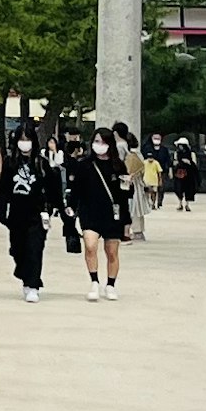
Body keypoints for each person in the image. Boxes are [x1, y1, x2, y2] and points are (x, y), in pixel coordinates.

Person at [0, 126, 58, 303]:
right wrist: (1, 212)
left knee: (34, 248)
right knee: (18, 249)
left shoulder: (42, 163)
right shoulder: (10, 163)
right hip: (16, 214)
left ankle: (33, 285)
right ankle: (24, 274)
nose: (25, 143)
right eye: (22, 139)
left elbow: (53, 189)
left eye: (28, 139)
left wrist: (52, 209)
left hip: (37, 214)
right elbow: (4, 190)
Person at [68, 128, 130, 298]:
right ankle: (94, 281)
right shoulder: (84, 165)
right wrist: (71, 208)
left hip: (112, 214)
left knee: (111, 252)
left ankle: (110, 284)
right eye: (96, 141)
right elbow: (76, 191)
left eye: (103, 142)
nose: (99, 145)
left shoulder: (118, 166)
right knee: (90, 245)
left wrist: (127, 220)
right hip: (89, 212)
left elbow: (124, 196)